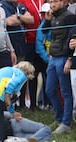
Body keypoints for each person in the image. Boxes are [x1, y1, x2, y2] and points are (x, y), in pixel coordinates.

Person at [42, 0, 75, 134]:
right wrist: (47, 20)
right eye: (50, 2)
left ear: (63, 2)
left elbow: (72, 39)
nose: (52, 4)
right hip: (53, 57)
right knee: (49, 90)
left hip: (63, 57)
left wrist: (69, 59)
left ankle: (66, 123)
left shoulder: (70, 16)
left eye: (55, 1)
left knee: (65, 91)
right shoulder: (53, 16)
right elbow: (44, 31)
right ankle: (59, 117)